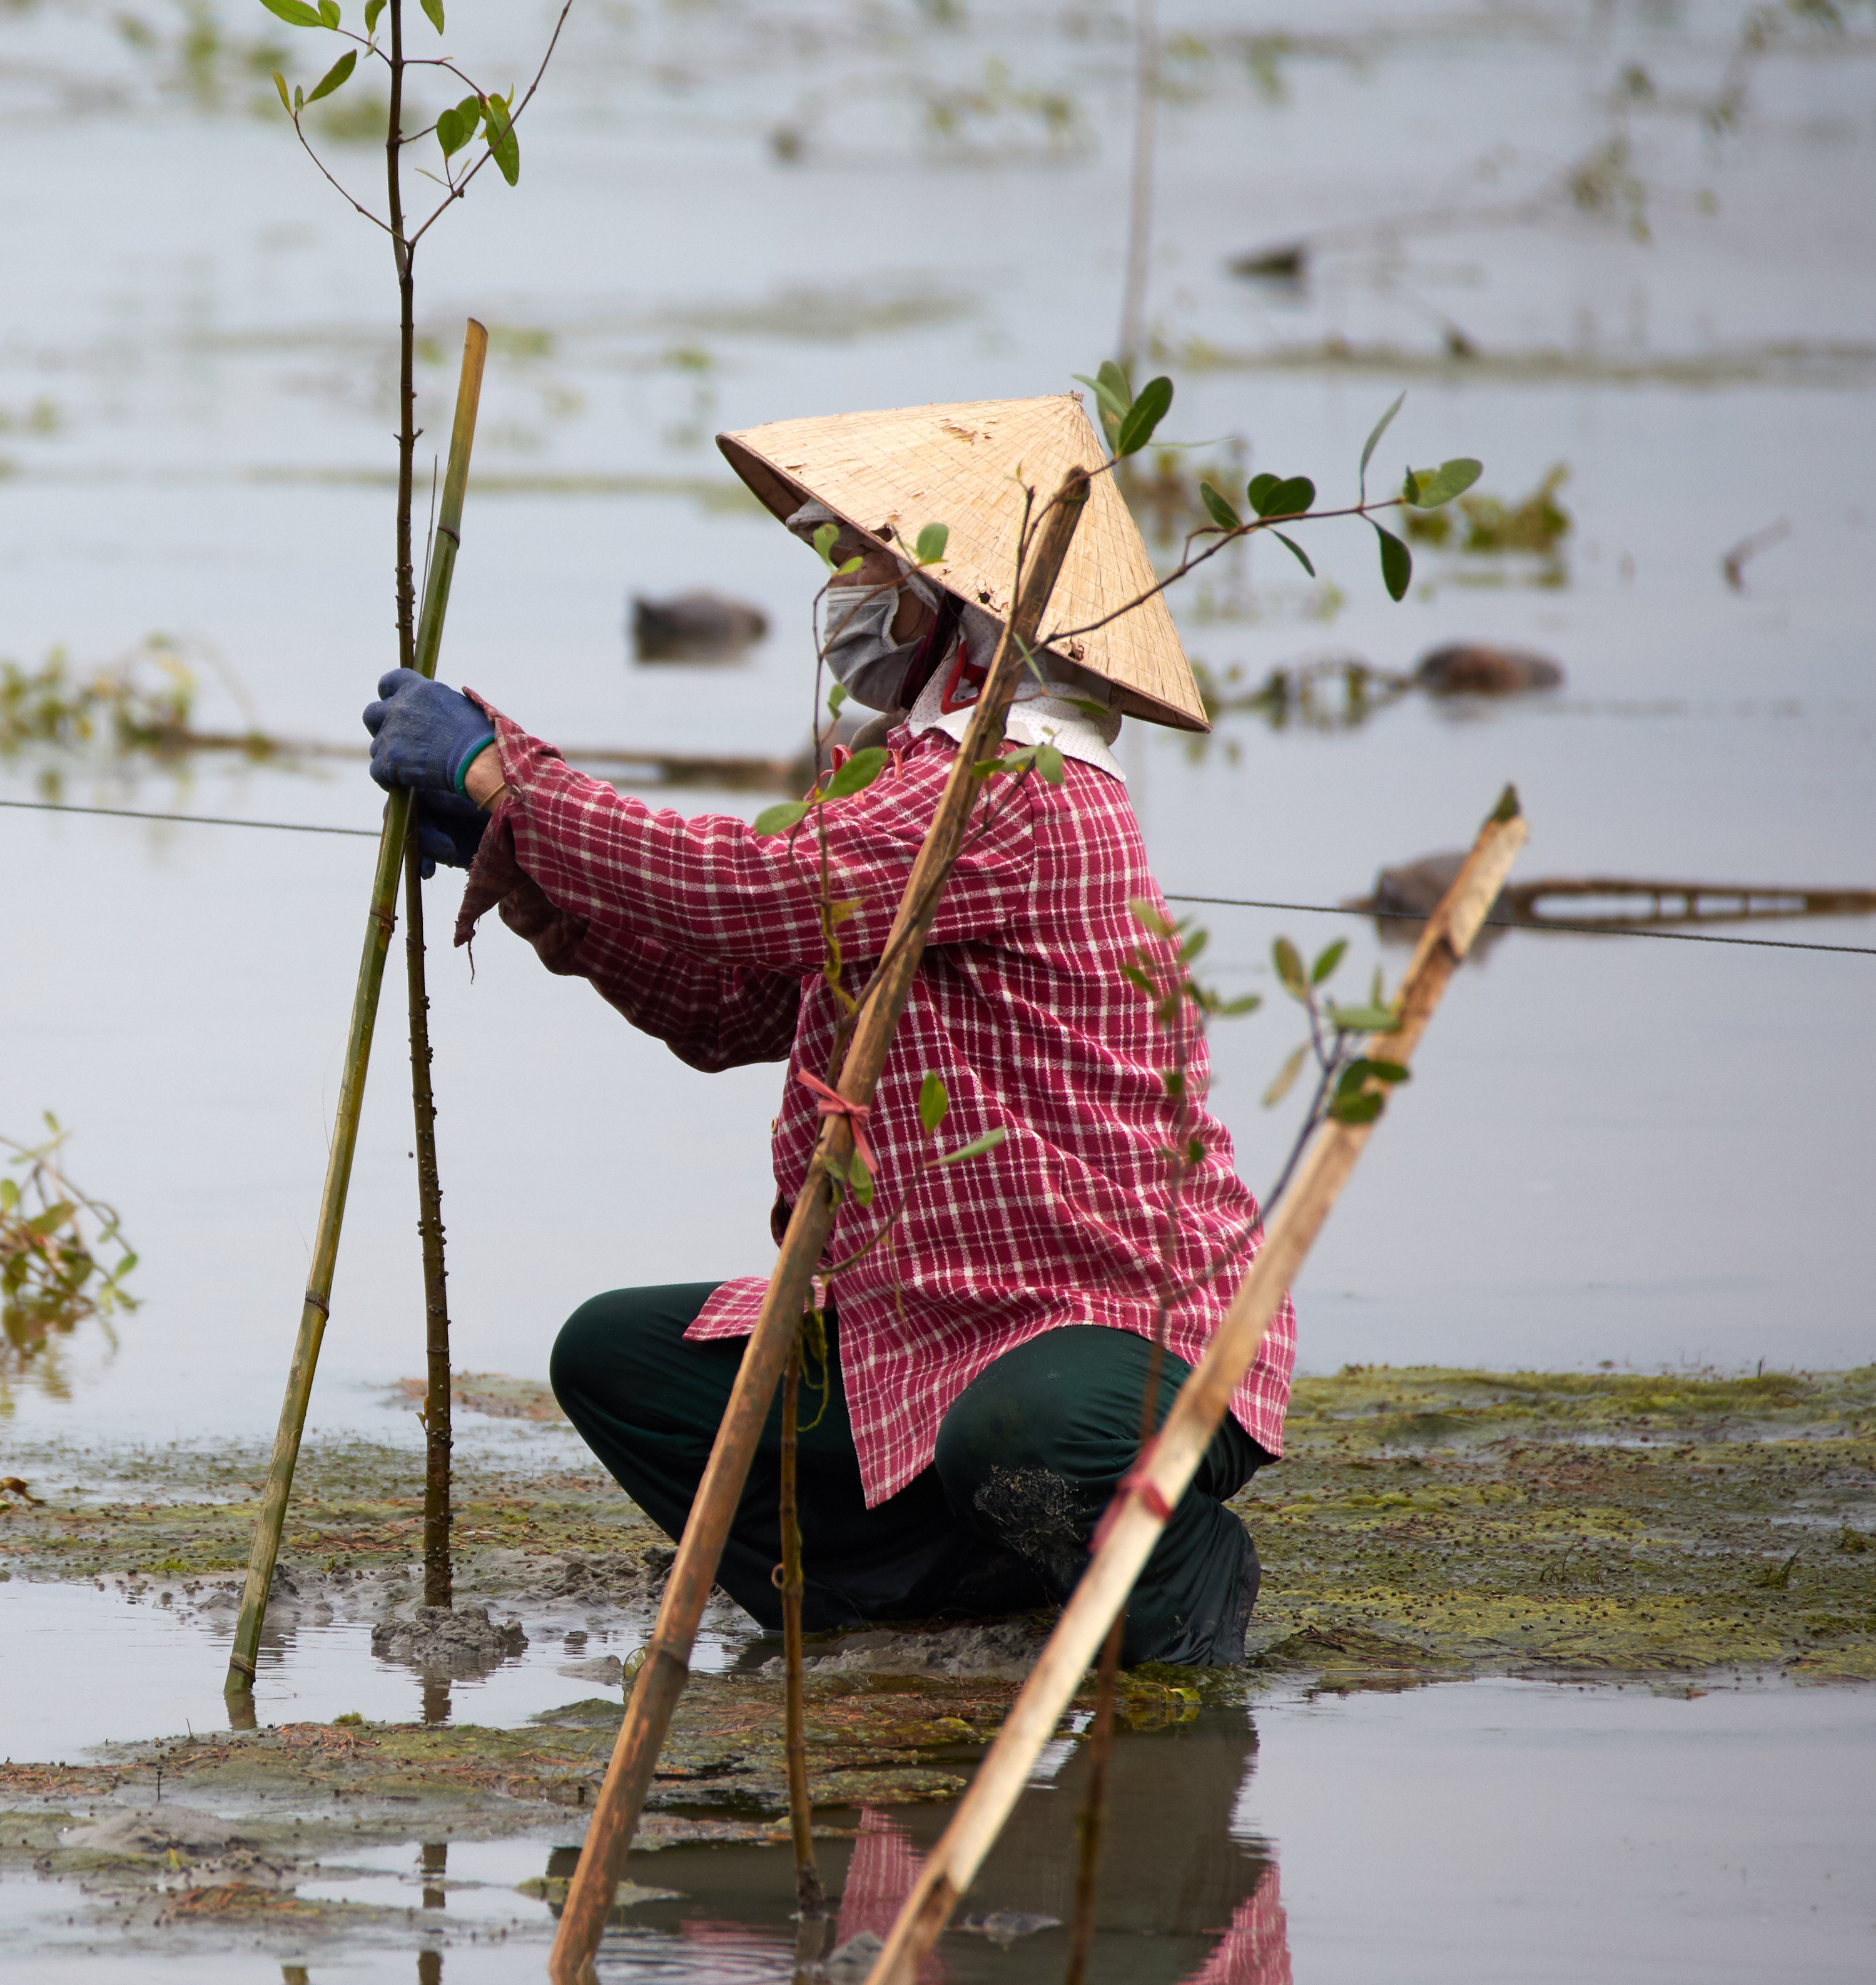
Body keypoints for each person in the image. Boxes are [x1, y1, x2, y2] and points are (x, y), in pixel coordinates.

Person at [358, 395, 1295, 1665]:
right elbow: (730, 1000)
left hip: (1122, 1323)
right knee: (615, 1359)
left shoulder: (1019, 787)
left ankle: (1178, 1572)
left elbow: (738, 890)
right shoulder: (907, 779)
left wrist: (503, 777)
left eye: (866, 563)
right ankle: (934, 1599)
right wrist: (520, 864)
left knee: (1016, 1435)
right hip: (938, 1318)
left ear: (953, 599)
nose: (842, 587)